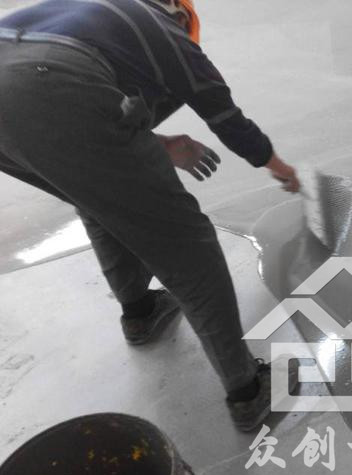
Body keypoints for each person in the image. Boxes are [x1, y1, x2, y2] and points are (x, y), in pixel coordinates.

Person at [0, 0, 300, 432]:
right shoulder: (168, 30)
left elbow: (58, 102)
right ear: (180, 15)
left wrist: (159, 144)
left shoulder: (89, 15)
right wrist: (280, 167)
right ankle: (248, 390)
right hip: (50, 82)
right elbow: (225, 116)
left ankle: (140, 310)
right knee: (188, 245)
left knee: (97, 194)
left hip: (20, 99)